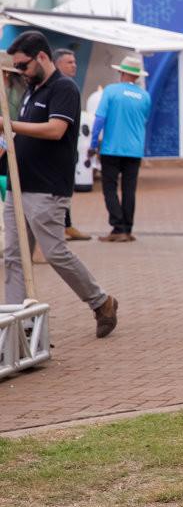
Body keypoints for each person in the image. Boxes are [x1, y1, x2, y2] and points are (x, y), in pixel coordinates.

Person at [3, 31, 118, 337]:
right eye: (16, 68)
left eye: (23, 65)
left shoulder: (63, 88)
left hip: (47, 187)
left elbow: (55, 130)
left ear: (42, 57)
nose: (21, 73)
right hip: (18, 184)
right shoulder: (30, 89)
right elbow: (18, 135)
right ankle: (18, 326)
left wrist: (8, 124)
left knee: (55, 252)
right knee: (14, 257)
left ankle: (101, 301)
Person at [89, 54, 152, 243]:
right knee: (129, 189)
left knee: (109, 188)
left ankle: (117, 227)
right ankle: (127, 228)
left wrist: (93, 144)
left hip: (111, 148)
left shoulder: (111, 91)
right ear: (137, 76)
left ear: (122, 72)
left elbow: (99, 119)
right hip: (134, 149)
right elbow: (145, 119)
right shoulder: (144, 96)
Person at [51, 48, 90, 242]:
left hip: (68, 150)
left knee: (66, 189)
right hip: (54, 152)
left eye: (74, 62)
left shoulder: (69, 85)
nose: (74, 65)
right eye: (69, 62)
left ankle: (67, 225)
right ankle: (61, 228)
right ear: (56, 64)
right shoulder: (56, 87)